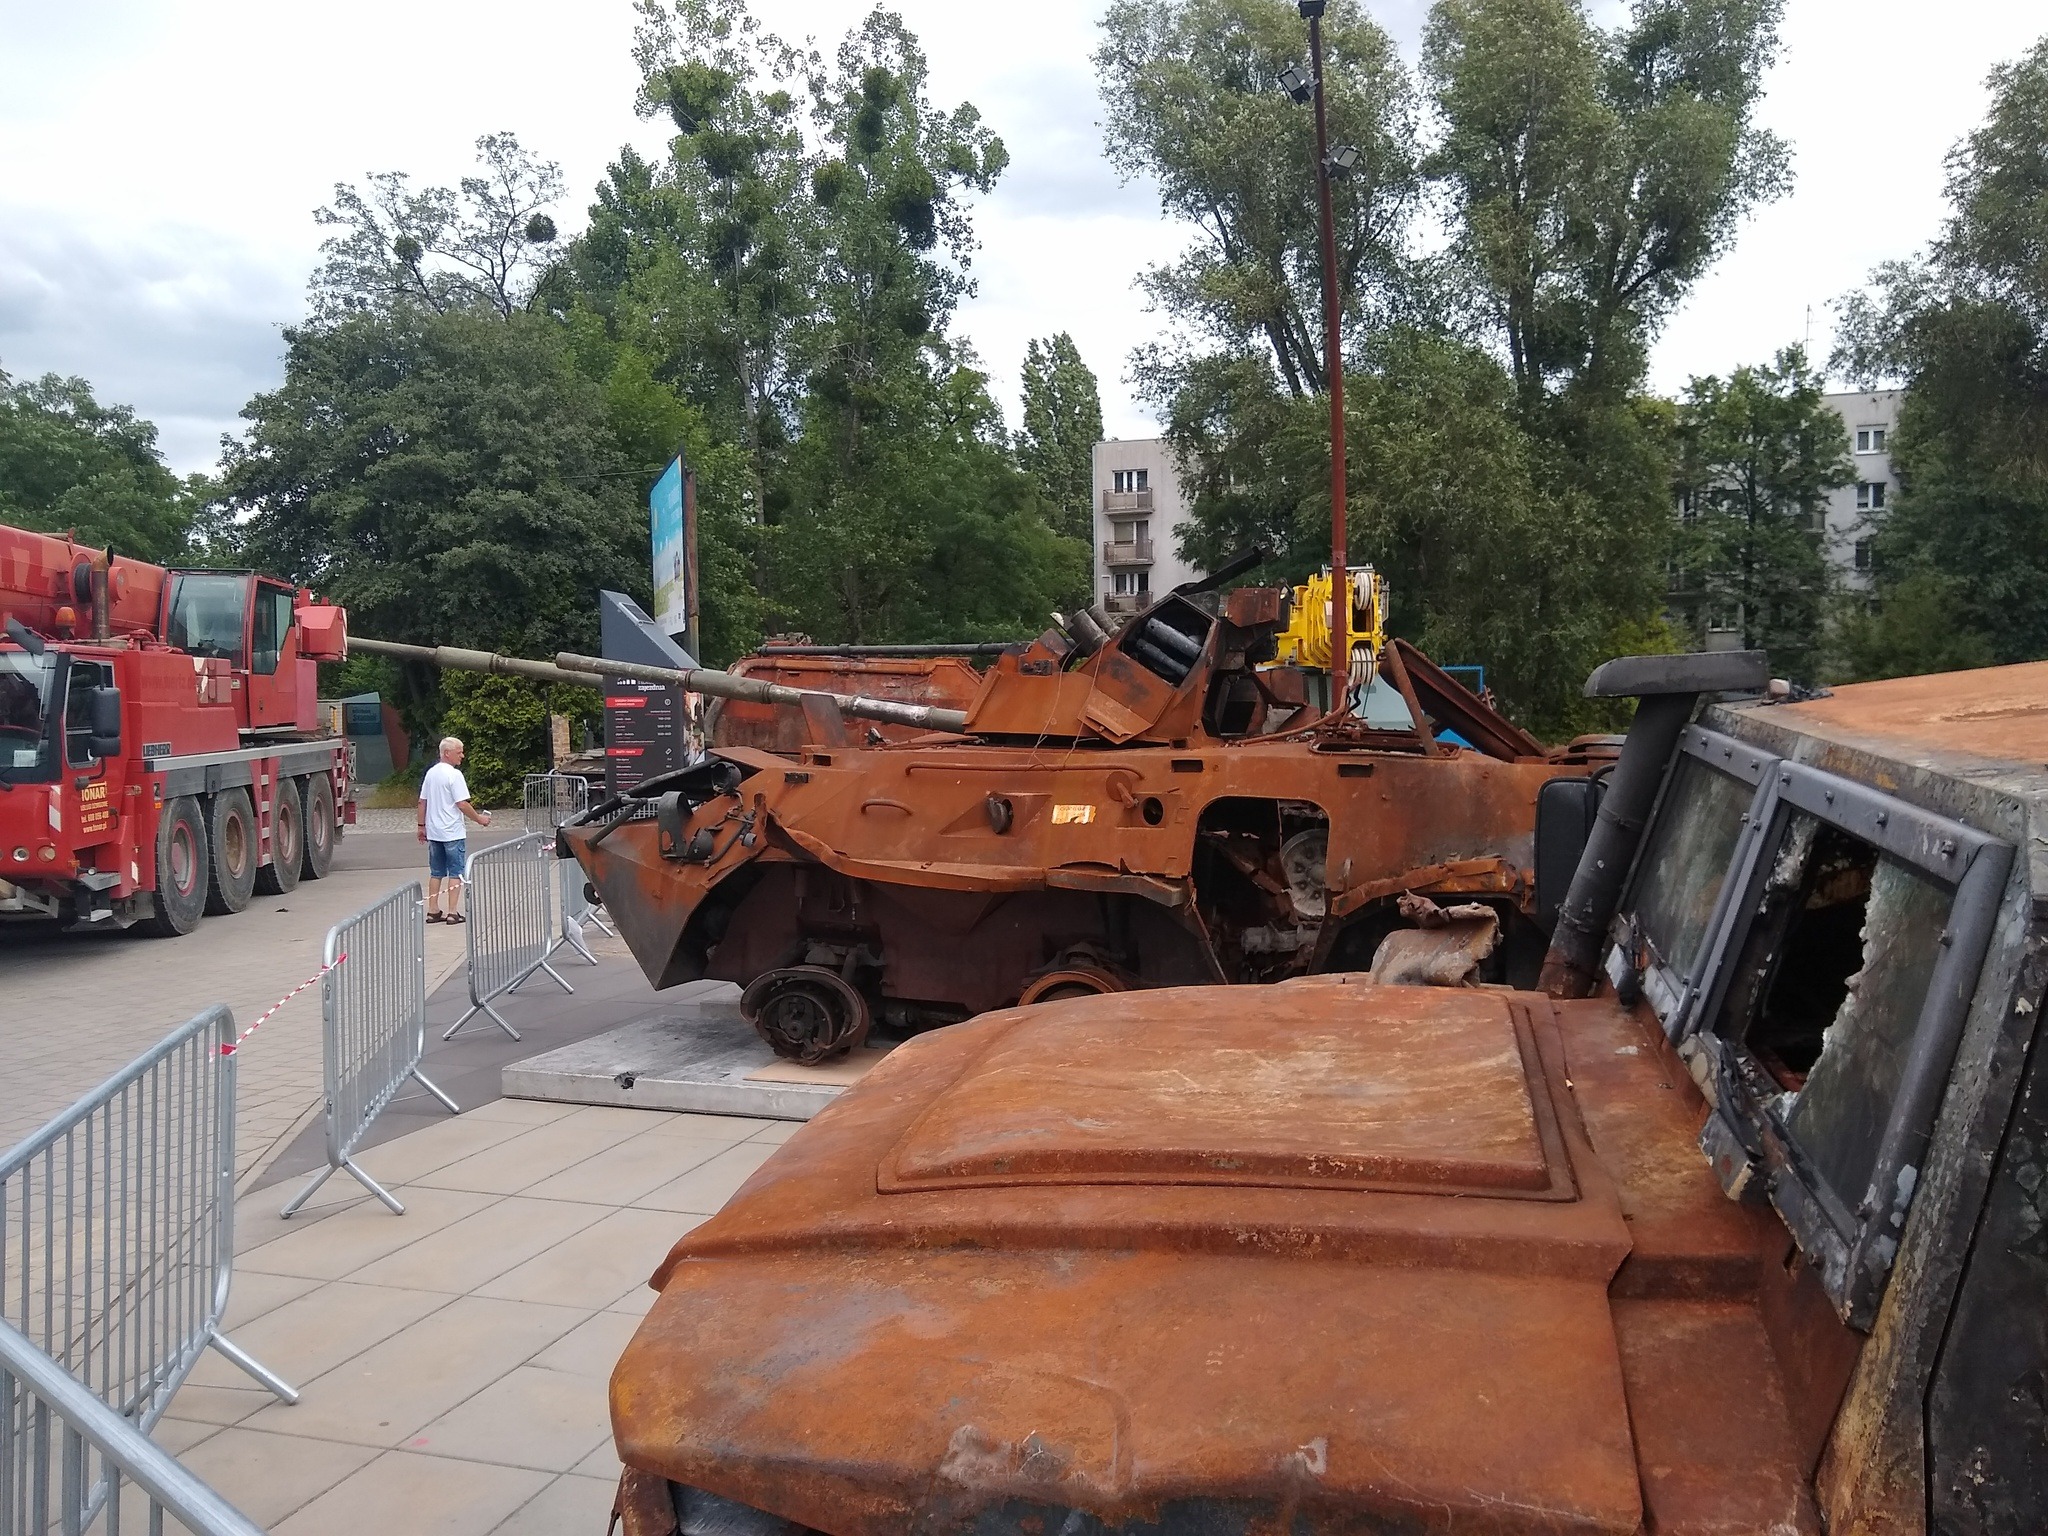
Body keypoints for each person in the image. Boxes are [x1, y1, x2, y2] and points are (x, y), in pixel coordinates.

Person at [418, 736, 491, 923]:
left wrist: (421, 826)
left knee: (436, 872)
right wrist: (479, 819)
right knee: (456, 871)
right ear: (447, 753)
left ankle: (433, 910)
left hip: (434, 832)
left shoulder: (431, 773)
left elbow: (422, 802)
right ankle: (452, 912)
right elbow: (462, 804)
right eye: (459, 752)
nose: (462, 756)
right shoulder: (455, 775)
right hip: (452, 832)